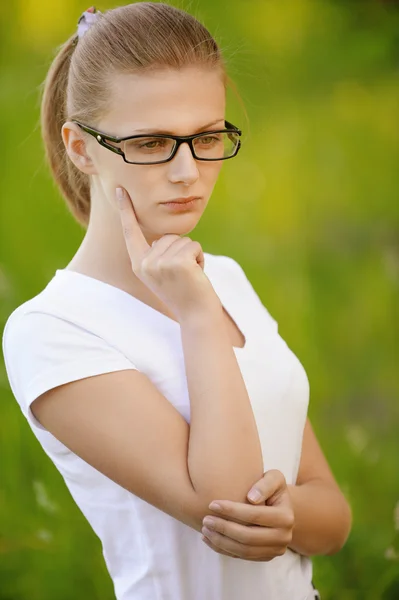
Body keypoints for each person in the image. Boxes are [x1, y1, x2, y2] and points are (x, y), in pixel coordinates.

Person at [1, 3, 351, 599]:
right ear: (81, 149)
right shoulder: (52, 329)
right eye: (153, 142)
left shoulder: (227, 278)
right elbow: (230, 509)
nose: (189, 171)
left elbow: (333, 516)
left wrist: (288, 512)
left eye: (207, 136)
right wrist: (196, 315)